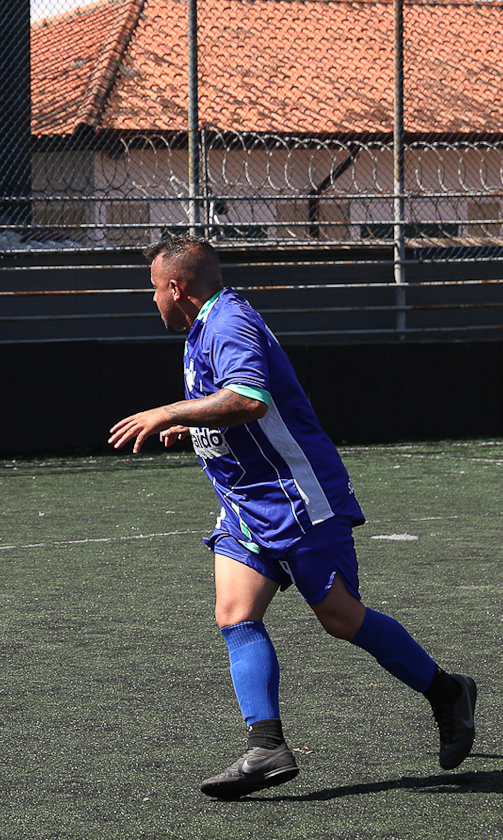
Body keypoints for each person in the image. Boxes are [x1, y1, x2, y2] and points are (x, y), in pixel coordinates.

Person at [108, 237, 476, 799]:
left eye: (154, 288)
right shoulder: (204, 324)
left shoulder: (228, 324)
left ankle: (447, 691)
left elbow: (250, 398)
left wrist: (168, 411)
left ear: (176, 288)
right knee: (235, 615)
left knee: (341, 619)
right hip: (244, 502)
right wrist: (198, 425)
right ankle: (265, 746)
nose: (152, 299)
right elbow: (240, 405)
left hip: (295, 498)